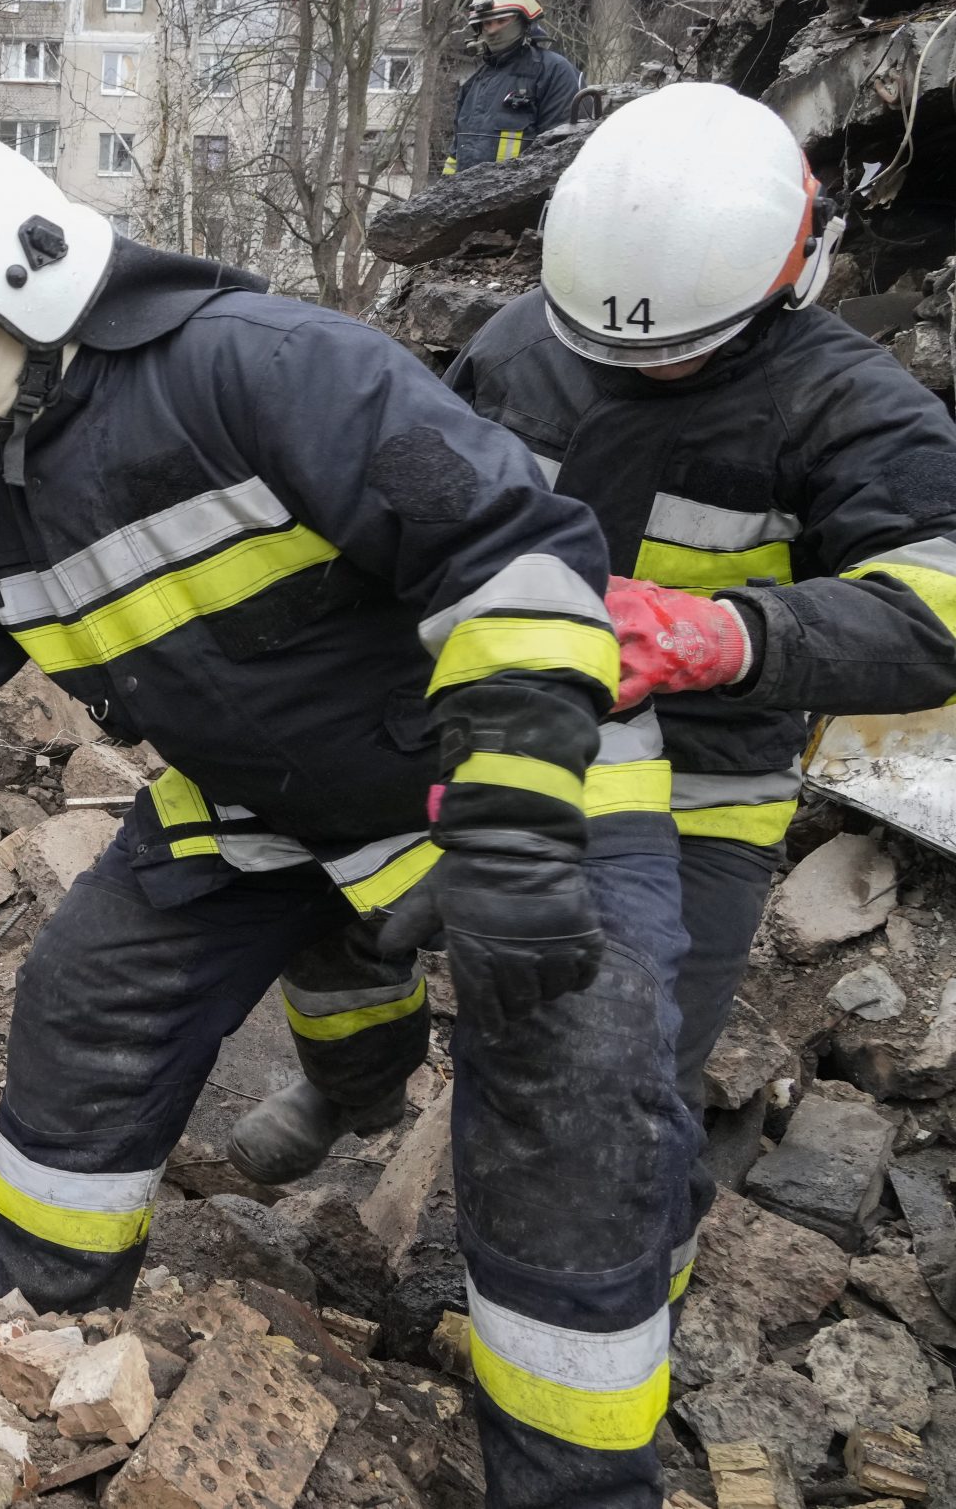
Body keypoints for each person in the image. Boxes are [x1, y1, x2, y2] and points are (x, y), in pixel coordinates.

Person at [0, 127, 696, 1509]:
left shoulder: (265, 365)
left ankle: (579, 1483)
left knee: (571, 1091)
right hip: (254, 797)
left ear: (33, 282)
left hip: (515, 772)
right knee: (87, 1001)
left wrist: (523, 829)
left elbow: (517, 557)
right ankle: (33, 1340)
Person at [230, 82, 956, 1286]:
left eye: (676, 358)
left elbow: (937, 608)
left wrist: (729, 635)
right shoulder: (526, 340)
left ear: (790, 274)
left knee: (631, 1074)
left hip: (695, 795)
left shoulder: (852, 409)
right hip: (495, 734)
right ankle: (347, 1088)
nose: (639, 373)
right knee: (341, 915)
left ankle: (624, 1310)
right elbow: (410, 505)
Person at [447, 0, 582, 173]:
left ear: (524, 21)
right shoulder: (473, 84)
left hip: (526, 202)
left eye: (501, 20)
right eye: (486, 23)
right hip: (471, 203)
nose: (492, 30)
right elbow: (455, 158)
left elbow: (563, 155)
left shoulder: (554, 73)